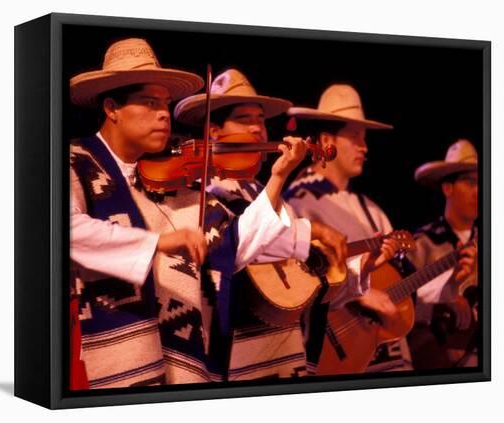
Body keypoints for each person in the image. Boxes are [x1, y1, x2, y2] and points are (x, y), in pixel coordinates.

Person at [69, 39, 310, 388]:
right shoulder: (76, 162)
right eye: (151, 103)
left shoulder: (177, 185)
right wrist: (160, 242)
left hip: (178, 357)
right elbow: (63, 229)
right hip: (108, 356)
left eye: (166, 104)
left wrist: (277, 177)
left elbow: (232, 248)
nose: (165, 114)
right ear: (111, 108)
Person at [175, 70, 359, 378]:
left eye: (260, 120)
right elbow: (234, 248)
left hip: (280, 350)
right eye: (245, 119)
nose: (258, 129)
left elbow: (288, 261)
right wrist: (281, 179)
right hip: (236, 358)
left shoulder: (256, 189)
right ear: (215, 131)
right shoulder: (196, 190)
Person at [284, 84, 413, 373]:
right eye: (355, 137)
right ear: (327, 139)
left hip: (381, 346)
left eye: (364, 139)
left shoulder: (371, 209)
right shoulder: (298, 203)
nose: (364, 147)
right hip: (336, 350)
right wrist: (360, 293)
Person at [406, 139, 479, 369]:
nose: (479, 191)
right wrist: (443, 303)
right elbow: (402, 305)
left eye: (482, 183)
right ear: (447, 188)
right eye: (470, 183)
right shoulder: (423, 244)